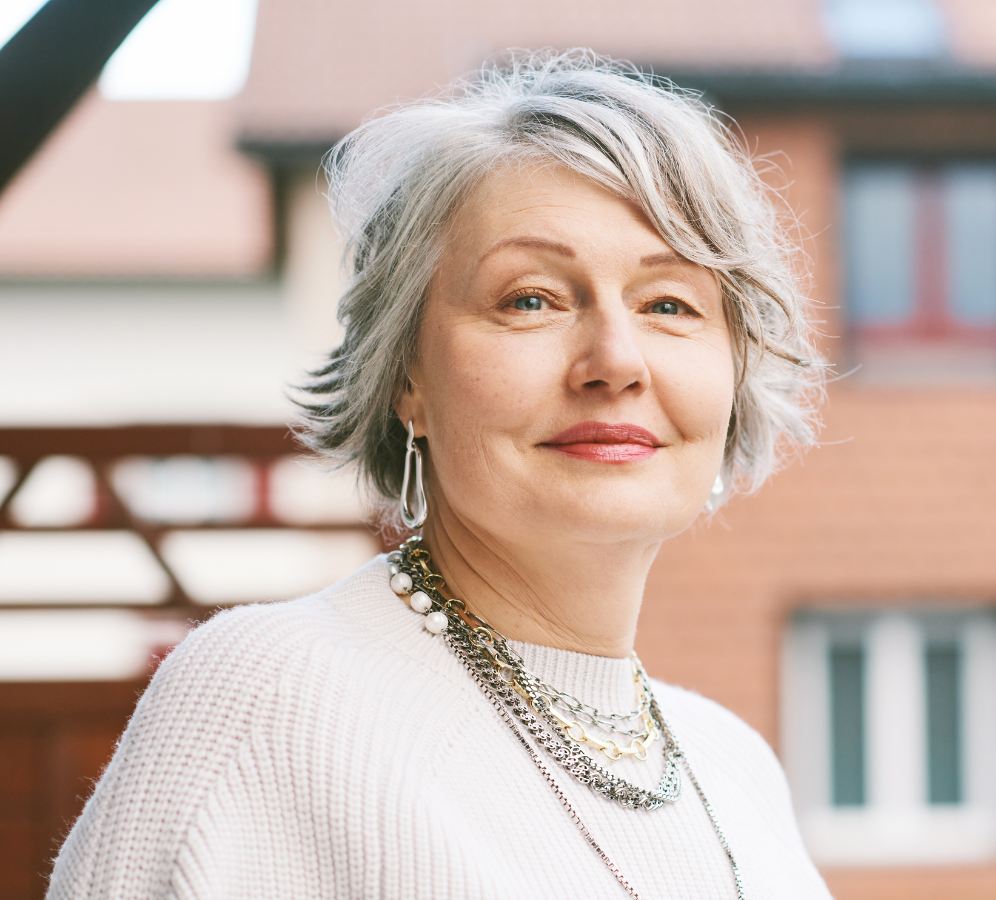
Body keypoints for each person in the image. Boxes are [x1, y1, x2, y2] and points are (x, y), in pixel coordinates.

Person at [46, 48, 835, 899]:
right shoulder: (267, 698)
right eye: (530, 298)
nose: (615, 360)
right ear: (408, 379)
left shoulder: (734, 767)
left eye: (669, 304)